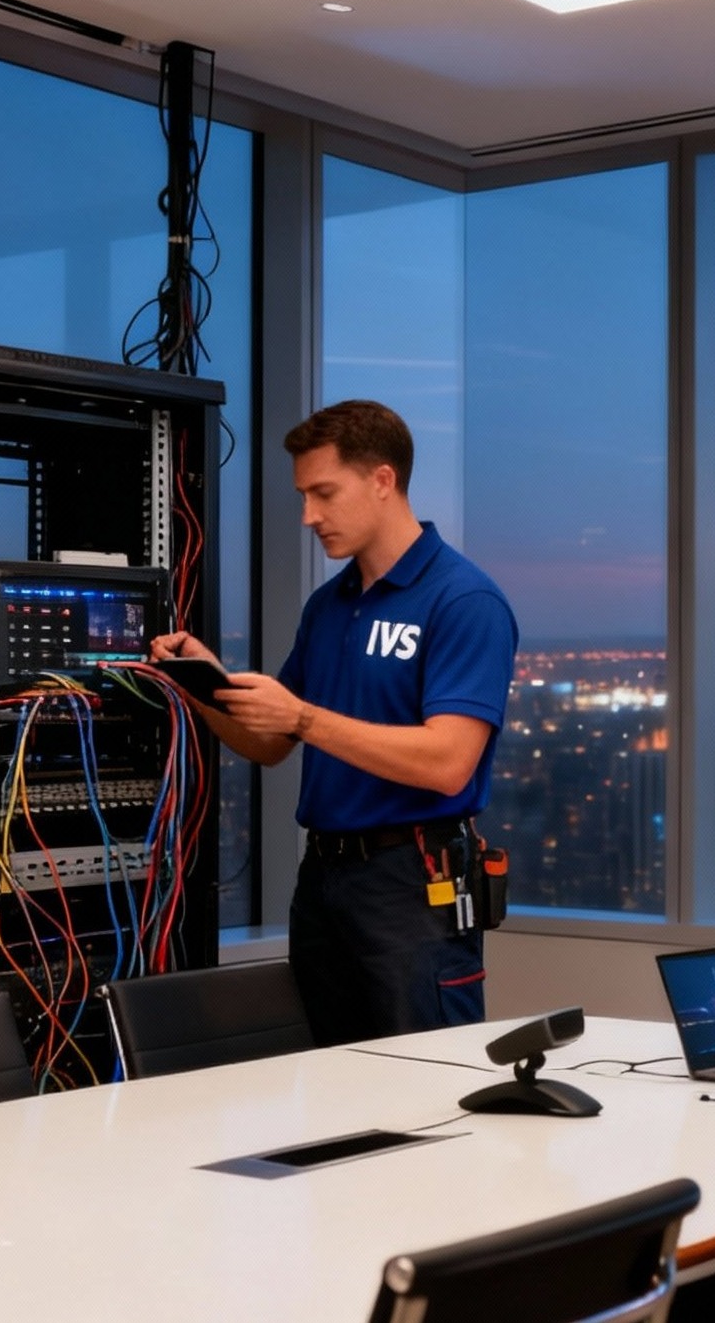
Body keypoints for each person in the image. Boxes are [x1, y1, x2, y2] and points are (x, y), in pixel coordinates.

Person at [152, 399, 517, 1045]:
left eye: (323, 493)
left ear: (382, 480)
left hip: (410, 880)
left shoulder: (463, 600)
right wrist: (205, 685)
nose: (308, 516)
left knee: (425, 1076)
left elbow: (448, 761)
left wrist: (302, 715)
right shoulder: (329, 606)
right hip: (322, 879)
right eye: (303, 496)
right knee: (325, 1075)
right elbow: (267, 744)